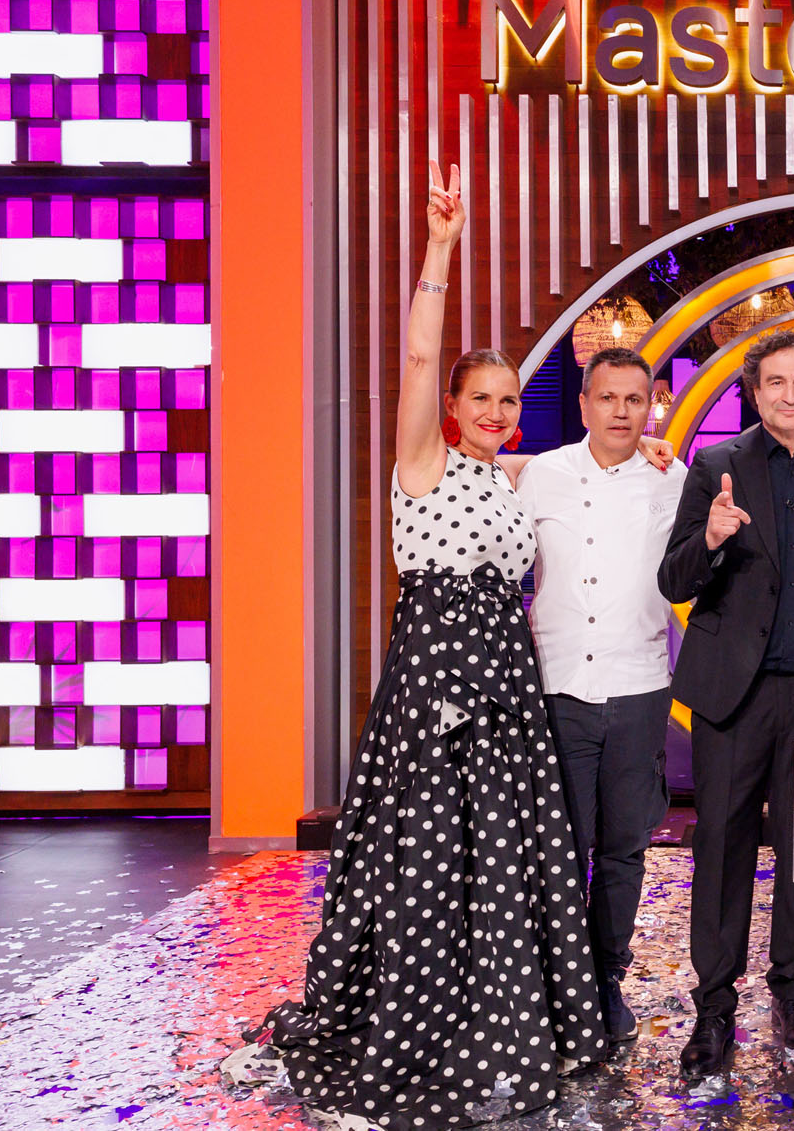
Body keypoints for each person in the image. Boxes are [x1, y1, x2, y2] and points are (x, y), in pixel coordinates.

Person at [222, 162, 610, 1128]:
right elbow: (417, 355)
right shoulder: (422, 463)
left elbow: (586, 462)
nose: (496, 413)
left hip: (506, 685)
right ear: (451, 405)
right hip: (438, 682)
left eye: (509, 400)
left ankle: (504, 1028)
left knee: (504, 860)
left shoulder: (511, 476)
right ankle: (419, 1029)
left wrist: (645, 449)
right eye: (480, 398)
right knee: (433, 861)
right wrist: (440, 247)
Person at [658, 330, 794, 1079]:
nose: (789, 395)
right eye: (775, 382)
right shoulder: (716, 466)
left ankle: (792, 991)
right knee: (722, 849)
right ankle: (714, 1006)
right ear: (754, 391)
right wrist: (709, 537)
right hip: (732, 693)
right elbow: (674, 578)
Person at [515, 345, 685, 1046]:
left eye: (634, 399)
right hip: (558, 685)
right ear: (583, 404)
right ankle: (558, 983)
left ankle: (606, 977)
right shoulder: (542, 474)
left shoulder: (672, 480)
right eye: (607, 397)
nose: (621, 411)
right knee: (560, 847)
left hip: (639, 685)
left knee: (623, 848)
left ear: (651, 408)